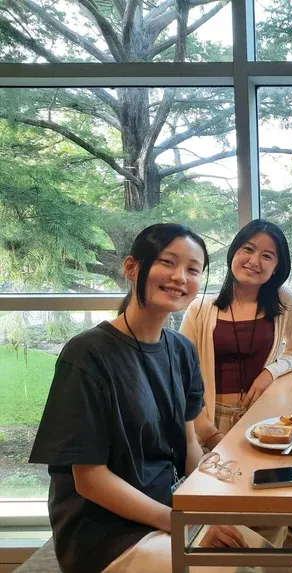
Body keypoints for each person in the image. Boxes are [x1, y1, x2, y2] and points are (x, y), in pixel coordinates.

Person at [28, 224, 278, 573]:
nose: (180, 277)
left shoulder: (180, 350)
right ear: (131, 268)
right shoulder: (87, 355)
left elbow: (191, 444)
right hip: (107, 533)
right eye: (167, 262)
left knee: (277, 563)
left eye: (192, 270)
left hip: (170, 509)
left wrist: (205, 514)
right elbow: (90, 479)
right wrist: (184, 524)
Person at [180, 219, 292, 550]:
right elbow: (182, 374)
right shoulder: (201, 307)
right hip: (208, 422)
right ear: (234, 252)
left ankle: (259, 555)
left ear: (277, 266)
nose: (254, 261)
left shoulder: (283, 301)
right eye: (248, 249)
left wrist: (270, 372)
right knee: (253, 511)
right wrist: (208, 431)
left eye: (268, 255)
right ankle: (254, 556)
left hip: (262, 421)